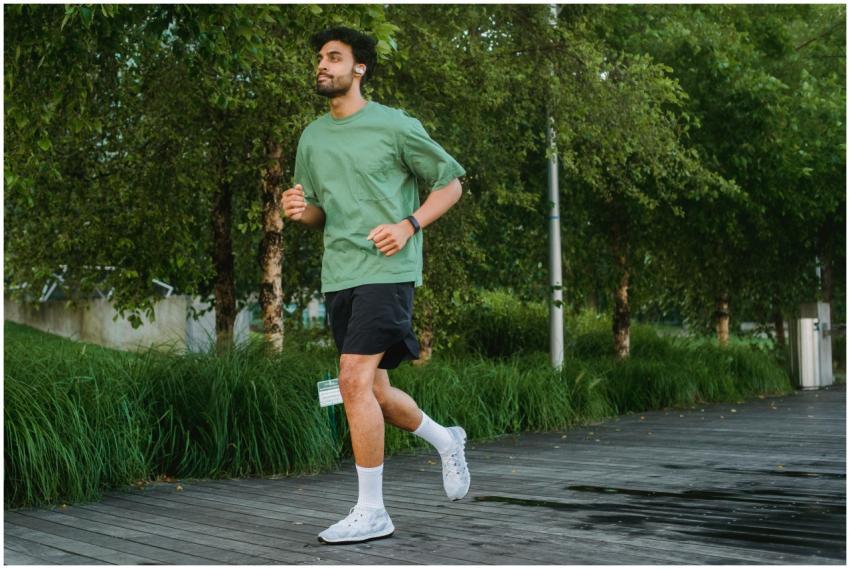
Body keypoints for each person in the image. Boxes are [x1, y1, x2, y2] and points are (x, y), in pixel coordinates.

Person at [280, 26, 470, 545]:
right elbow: (321, 212)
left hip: (389, 271)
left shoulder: (395, 126)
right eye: (319, 57)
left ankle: (372, 511)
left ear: (358, 68)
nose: (322, 64)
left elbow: (450, 184)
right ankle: (446, 440)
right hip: (339, 273)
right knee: (377, 393)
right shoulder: (312, 137)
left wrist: (409, 225)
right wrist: (300, 212)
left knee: (351, 379)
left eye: (334, 57)